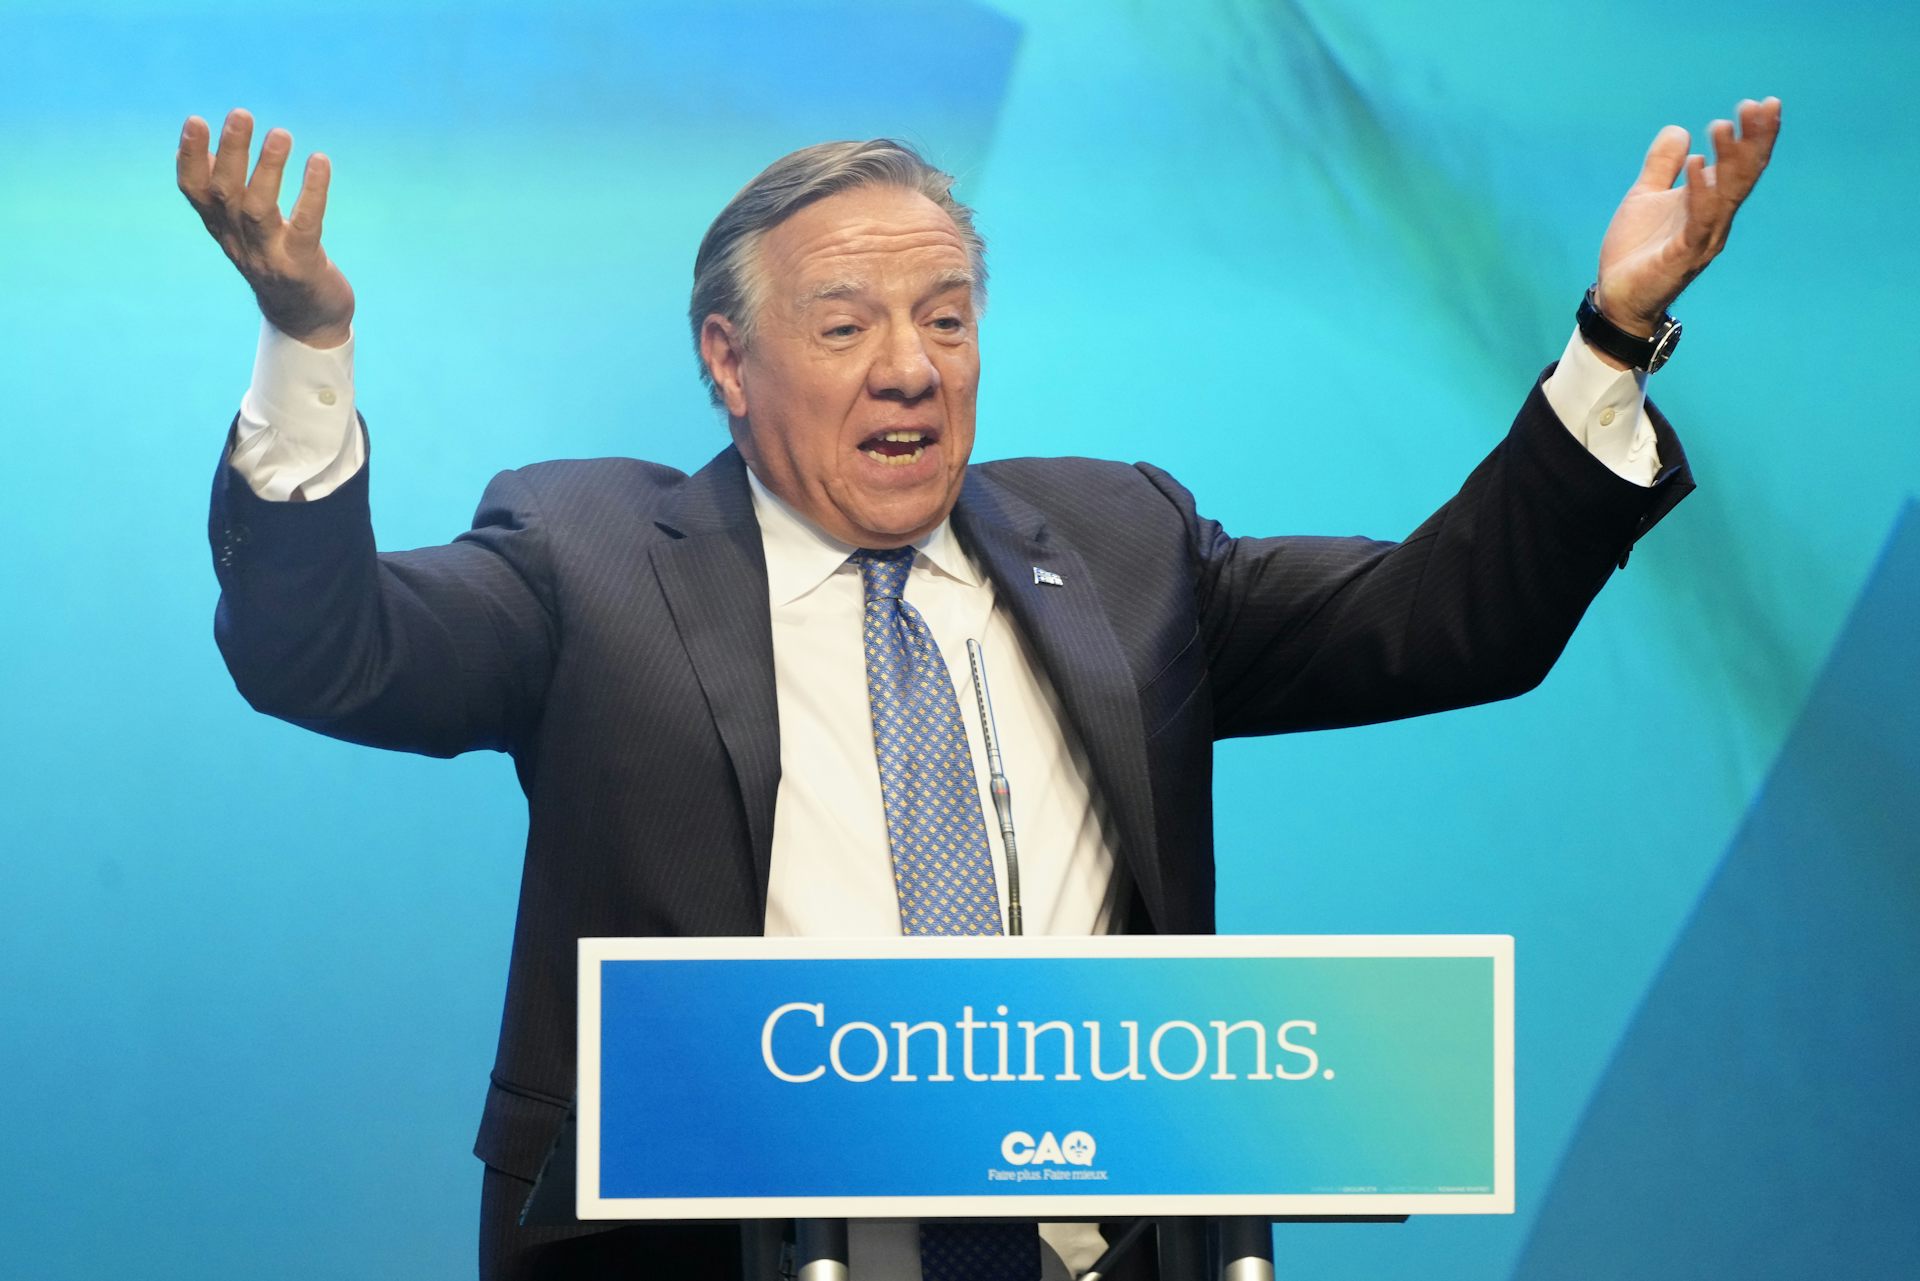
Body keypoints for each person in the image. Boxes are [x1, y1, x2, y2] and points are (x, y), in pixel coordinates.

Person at [177, 98, 1780, 1280]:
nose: (912, 365)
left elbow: (1448, 623)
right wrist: (307, 343)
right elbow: (328, 649)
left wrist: (1613, 335)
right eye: (849, 322)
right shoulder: (588, 555)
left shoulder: (1121, 540)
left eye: (947, 318)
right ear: (729, 367)